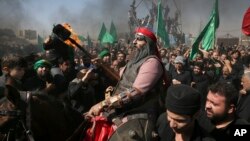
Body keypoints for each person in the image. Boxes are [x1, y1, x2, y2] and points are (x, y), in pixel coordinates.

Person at [86, 27, 165, 140]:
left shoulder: (152, 63)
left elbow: (135, 92)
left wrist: (102, 105)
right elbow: (120, 77)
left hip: (139, 112)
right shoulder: (133, 62)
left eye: (139, 39)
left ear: (148, 43)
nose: (134, 42)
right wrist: (103, 65)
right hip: (122, 109)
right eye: (135, 39)